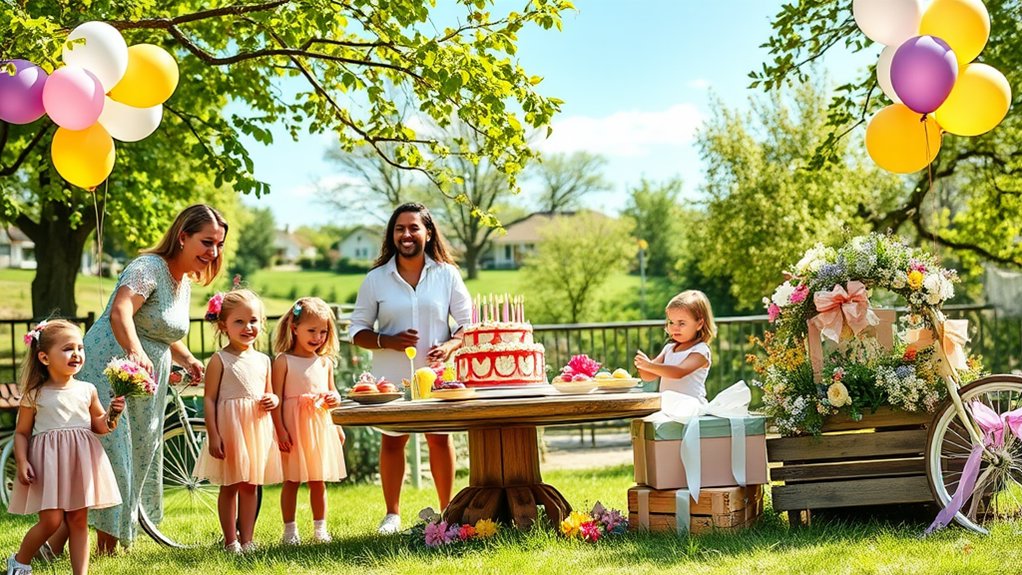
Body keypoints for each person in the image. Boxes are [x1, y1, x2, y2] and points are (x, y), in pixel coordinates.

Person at [77, 204, 228, 552]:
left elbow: (161, 329)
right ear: (183, 236)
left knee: (143, 449)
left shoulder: (183, 282)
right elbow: (121, 310)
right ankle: (104, 546)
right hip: (111, 365)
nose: (213, 252)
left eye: (218, 245)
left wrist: (188, 358)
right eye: (206, 242)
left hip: (147, 374)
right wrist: (134, 351)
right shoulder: (148, 268)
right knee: (118, 451)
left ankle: (117, 537)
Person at [349, 202, 472, 534]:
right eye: (400, 228)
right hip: (391, 378)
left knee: (439, 438)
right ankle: (392, 514)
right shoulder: (376, 279)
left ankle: (447, 512)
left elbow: (468, 325)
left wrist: (448, 346)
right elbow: (356, 330)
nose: (406, 234)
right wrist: (387, 340)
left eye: (414, 227)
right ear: (392, 234)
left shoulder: (447, 274)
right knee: (393, 441)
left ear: (427, 232)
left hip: (437, 378)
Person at [7, 320, 125, 575]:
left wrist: (113, 414)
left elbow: (100, 426)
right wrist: (23, 460)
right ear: (44, 357)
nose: (77, 354)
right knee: (51, 520)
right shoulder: (35, 394)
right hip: (47, 464)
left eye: (80, 348)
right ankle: (20, 561)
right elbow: (22, 433)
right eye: (68, 348)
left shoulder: (87, 390)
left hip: (79, 462)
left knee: (78, 520)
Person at [192, 289, 281, 553]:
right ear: (224, 326)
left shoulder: (264, 360)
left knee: (251, 485)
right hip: (230, 428)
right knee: (230, 485)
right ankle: (231, 540)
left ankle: (248, 539)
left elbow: (270, 391)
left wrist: (273, 400)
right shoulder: (219, 360)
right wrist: (214, 434)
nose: (247, 327)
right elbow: (209, 399)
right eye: (239, 322)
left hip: (256, 428)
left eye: (253, 321)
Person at [270, 297, 346, 545]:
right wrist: (280, 431)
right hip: (293, 428)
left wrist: (336, 414)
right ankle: (290, 531)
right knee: (291, 480)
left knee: (318, 480)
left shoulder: (325, 362)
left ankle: (320, 529)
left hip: (320, 427)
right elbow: (277, 399)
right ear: (294, 328)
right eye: (311, 331)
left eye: (323, 332)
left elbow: (333, 394)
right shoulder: (283, 361)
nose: (318, 337)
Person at [634, 290, 717, 401]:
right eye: (671, 322)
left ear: (699, 324)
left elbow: (678, 372)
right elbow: (649, 376)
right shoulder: (669, 348)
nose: (674, 327)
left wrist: (649, 365)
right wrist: (642, 365)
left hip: (690, 409)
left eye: (681, 323)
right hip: (668, 406)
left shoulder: (701, 351)